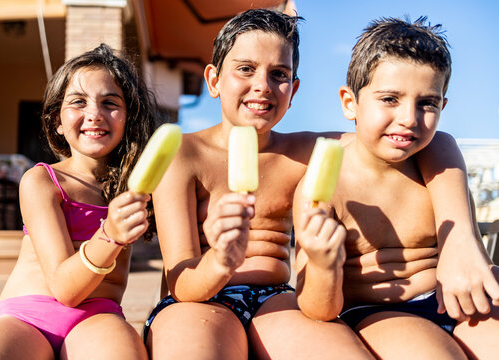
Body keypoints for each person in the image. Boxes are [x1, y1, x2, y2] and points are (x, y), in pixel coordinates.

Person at [144, 9, 374, 359]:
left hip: (278, 298)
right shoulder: (183, 154)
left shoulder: (306, 152)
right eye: (246, 69)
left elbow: (393, 138)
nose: (262, 86)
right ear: (214, 80)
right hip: (196, 297)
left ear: (293, 89)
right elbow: (181, 283)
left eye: (278, 74)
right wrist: (220, 259)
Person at [294, 16, 499, 359]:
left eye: (427, 103)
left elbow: (468, 248)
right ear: (349, 103)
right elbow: (318, 308)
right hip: (378, 312)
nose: (409, 118)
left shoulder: (439, 157)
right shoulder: (325, 186)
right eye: (390, 98)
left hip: (454, 296)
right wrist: (321, 263)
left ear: (442, 106)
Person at [0, 44, 159, 360]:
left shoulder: (139, 188)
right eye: (78, 102)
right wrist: (111, 235)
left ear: (129, 119)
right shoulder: (42, 182)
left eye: (110, 103)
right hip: (28, 317)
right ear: (57, 122)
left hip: (98, 318)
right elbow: (65, 290)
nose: (94, 113)